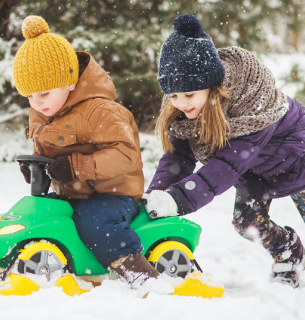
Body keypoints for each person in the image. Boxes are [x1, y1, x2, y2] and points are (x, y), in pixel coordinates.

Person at [142, 14, 305, 288]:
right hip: (258, 174)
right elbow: (178, 157)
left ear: (212, 86)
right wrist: (158, 196)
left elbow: (224, 167)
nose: (181, 103)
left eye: (189, 95)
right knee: (247, 222)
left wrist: (178, 199)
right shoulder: (185, 111)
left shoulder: (252, 106)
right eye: (174, 95)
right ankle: (288, 251)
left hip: (299, 161)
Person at [13, 15, 160, 288]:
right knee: (41, 215)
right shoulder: (44, 112)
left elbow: (126, 155)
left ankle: (140, 273)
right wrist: (38, 168)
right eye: (30, 96)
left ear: (70, 82)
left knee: (96, 222)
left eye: (43, 93)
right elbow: (47, 152)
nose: (37, 103)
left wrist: (77, 167)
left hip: (112, 195)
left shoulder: (100, 111)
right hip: (72, 194)